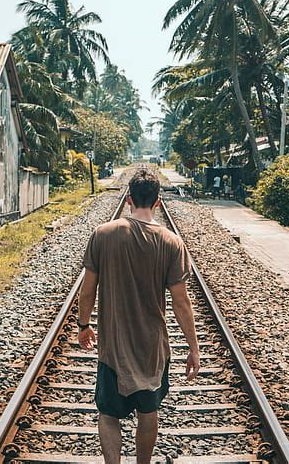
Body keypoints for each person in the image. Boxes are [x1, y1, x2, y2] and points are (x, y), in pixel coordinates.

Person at [78, 168, 200, 464]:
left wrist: (84, 326)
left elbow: (87, 290)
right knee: (149, 411)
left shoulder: (103, 234)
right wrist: (193, 348)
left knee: (108, 414)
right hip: (152, 349)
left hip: (113, 348)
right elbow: (181, 303)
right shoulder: (171, 242)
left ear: (129, 198)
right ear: (157, 201)